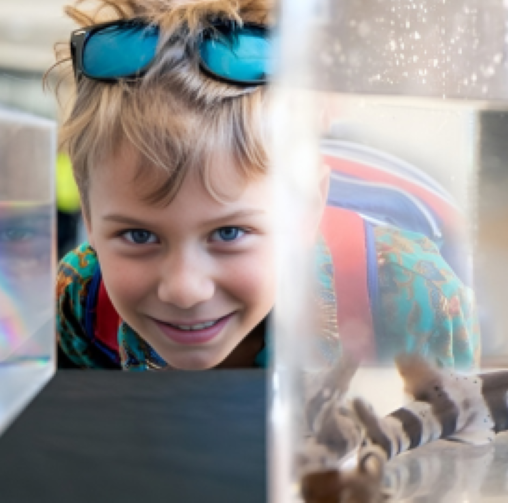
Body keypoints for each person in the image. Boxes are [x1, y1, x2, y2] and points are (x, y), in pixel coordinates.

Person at [52, 0, 480, 371]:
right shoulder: (82, 298)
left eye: (229, 233)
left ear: (307, 211)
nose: (184, 289)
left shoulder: (415, 299)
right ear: (88, 215)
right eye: (139, 235)